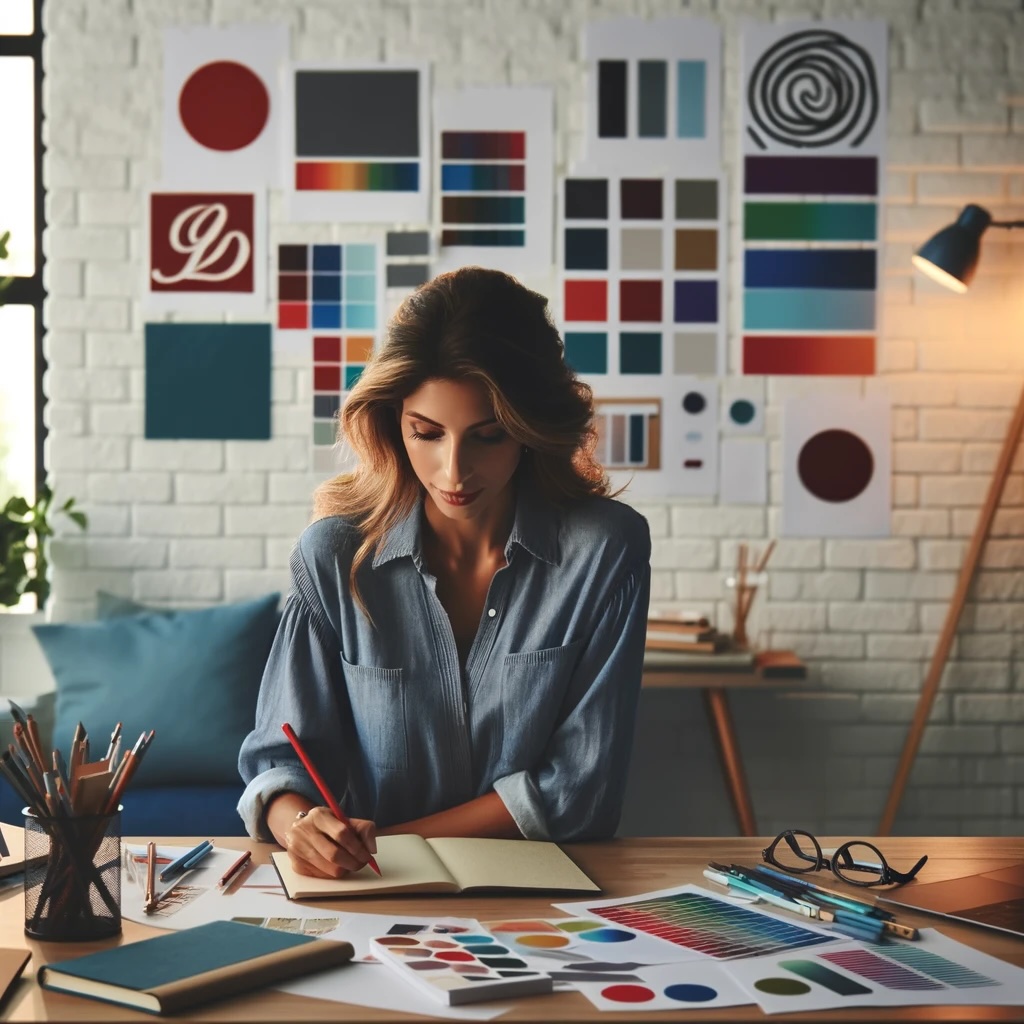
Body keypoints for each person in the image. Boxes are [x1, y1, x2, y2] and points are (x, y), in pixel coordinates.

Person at [238, 267, 652, 878]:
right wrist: (301, 828)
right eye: (426, 433)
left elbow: (580, 793)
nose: (454, 471)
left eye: (488, 436)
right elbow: (279, 762)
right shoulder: (332, 556)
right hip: (370, 901)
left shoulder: (604, 550)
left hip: (533, 896)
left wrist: (390, 848)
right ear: (391, 422)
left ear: (531, 431)